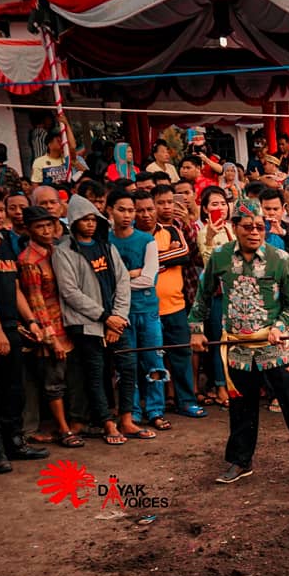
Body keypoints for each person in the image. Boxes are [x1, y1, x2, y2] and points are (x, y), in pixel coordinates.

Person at [190, 197, 289, 483]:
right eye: (248, 227)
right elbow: (202, 296)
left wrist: (280, 325)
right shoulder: (220, 257)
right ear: (234, 227)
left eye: (260, 227)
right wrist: (196, 329)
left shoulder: (281, 259)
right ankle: (240, 462)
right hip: (237, 349)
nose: (254, 232)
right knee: (241, 408)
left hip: (276, 349)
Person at [51, 195, 133, 445]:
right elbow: (70, 292)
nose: (89, 224)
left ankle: (127, 419)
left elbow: (122, 280)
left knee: (128, 367)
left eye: (93, 219)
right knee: (95, 375)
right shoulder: (63, 250)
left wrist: (118, 316)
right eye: (84, 220)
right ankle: (107, 423)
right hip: (88, 324)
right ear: (74, 221)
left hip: (115, 321)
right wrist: (105, 318)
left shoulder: (107, 246)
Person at [138, 185, 204, 420]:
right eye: (159, 203)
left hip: (176, 306)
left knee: (181, 355)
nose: (151, 212)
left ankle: (186, 401)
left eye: (169, 202)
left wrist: (148, 264)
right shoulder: (133, 236)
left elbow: (185, 256)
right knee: (150, 358)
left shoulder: (173, 230)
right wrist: (167, 257)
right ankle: (153, 407)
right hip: (145, 310)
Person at [17, 206, 79, 447]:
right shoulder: (29, 260)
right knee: (54, 381)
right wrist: (50, 337)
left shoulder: (56, 250)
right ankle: (63, 430)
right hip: (48, 327)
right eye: (39, 226)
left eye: (48, 225)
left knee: (66, 377)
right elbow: (35, 301)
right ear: (29, 229)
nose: (46, 230)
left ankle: (69, 424)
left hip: (65, 321)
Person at [108, 189, 168, 434]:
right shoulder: (106, 241)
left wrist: (120, 281)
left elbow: (149, 279)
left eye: (130, 210)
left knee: (154, 360)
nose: (127, 215)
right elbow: (105, 281)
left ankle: (156, 410)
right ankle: (129, 412)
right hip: (120, 314)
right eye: (121, 209)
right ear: (110, 210)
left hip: (148, 310)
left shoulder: (146, 240)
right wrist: (131, 275)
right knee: (126, 365)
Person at [0, 198, 48, 470]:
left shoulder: (4, 241)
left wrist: (32, 320)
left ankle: (15, 443)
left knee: (13, 387)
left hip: (11, 325)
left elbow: (14, 288)